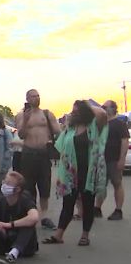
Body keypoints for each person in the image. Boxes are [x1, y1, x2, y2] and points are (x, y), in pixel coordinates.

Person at [43, 101, 108, 246]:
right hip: (70, 173)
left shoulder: (93, 127)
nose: (74, 113)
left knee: (87, 203)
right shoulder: (69, 129)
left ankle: (85, 235)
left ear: (84, 112)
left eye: (77, 111)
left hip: (88, 172)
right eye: (73, 111)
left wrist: (86, 105)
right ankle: (59, 235)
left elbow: (102, 113)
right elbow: (60, 148)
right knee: (68, 204)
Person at [15, 89, 61, 229]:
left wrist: (52, 140)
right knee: (28, 186)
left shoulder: (46, 114)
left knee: (44, 185)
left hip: (43, 153)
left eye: (38, 96)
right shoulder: (21, 116)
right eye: (33, 96)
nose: (36, 98)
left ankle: (45, 216)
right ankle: (31, 214)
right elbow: (21, 134)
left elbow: (57, 131)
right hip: (28, 153)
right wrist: (26, 120)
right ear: (27, 98)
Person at [95, 100, 127, 220]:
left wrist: (121, 159)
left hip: (114, 159)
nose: (103, 108)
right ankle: (97, 209)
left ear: (113, 108)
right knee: (100, 185)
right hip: (101, 160)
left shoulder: (119, 124)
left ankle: (118, 210)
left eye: (105, 106)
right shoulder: (102, 123)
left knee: (117, 184)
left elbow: (124, 141)